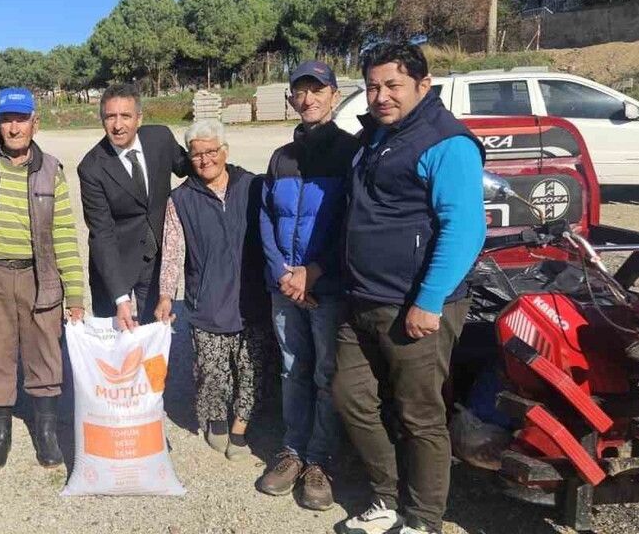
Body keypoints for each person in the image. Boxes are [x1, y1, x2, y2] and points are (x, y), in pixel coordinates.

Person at [333, 42, 486, 534]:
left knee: (420, 416)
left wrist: (429, 299)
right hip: (362, 299)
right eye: (372, 86)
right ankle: (386, 499)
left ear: (423, 84)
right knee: (351, 397)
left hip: (413, 305)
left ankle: (423, 520)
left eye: (393, 85)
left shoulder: (446, 142)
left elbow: (465, 228)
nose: (381, 97)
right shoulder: (377, 134)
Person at [0, 88, 85, 471]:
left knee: (45, 354)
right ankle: (0, 436)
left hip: (37, 275)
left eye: (21, 119)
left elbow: (64, 233)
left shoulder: (51, 170)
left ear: (35, 123)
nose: (14, 128)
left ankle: (45, 434)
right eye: (7, 120)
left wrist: (74, 295)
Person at [256, 60, 361, 511]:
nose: (308, 98)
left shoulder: (351, 152)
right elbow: (265, 217)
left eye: (318, 90)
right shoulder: (281, 157)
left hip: (327, 286)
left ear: (334, 95)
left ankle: (320, 460)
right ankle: (293, 451)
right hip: (284, 287)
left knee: (325, 373)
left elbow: (353, 222)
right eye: (300, 91)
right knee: (292, 368)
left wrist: (314, 271)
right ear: (291, 99)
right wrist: (282, 270)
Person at [155, 120, 270, 461]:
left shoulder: (252, 186)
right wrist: (166, 294)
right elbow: (173, 252)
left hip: (252, 297)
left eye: (211, 151)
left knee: (251, 368)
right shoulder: (181, 199)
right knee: (211, 370)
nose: (205, 160)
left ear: (225, 151)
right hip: (207, 300)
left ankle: (241, 426)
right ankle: (216, 418)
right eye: (196, 154)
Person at [78, 82, 189, 329]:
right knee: (116, 339)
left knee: (154, 331)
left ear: (139, 118)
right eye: (110, 117)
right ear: (102, 120)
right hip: (114, 265)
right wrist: (120, 297)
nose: (118, 125)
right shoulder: (91, 168)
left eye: (125, 116)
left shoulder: (160, 139)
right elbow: (102, 233)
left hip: (154, 259)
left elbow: (192, 167)